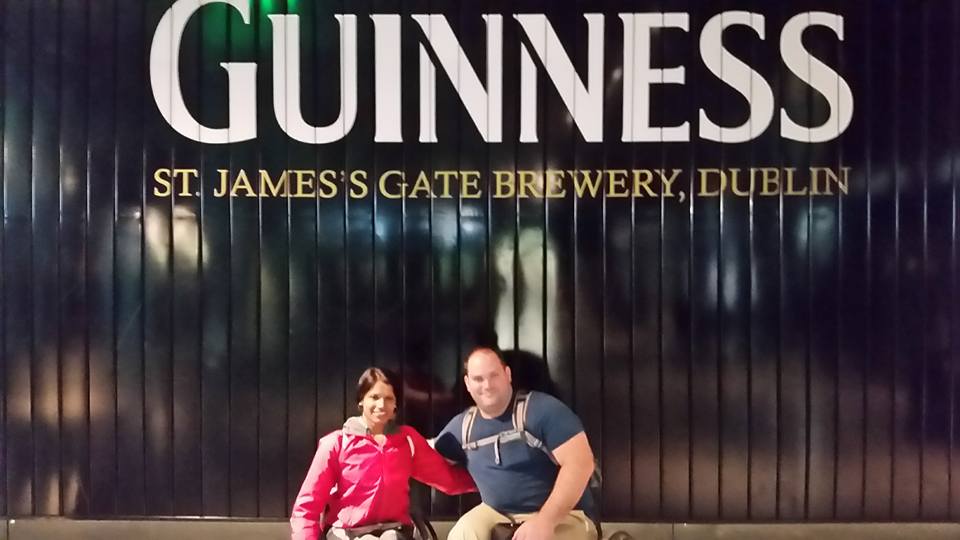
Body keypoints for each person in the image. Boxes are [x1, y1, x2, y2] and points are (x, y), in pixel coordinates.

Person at [291, 367, 477, 540]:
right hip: (347, 533)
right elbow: (306, 508)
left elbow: (448, 480)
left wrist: (494, 481)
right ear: (361, 400)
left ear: (396, 404)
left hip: (394, 531)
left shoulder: (407, 440)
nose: (381, 404)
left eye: (389, 398)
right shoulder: (336, 444)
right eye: (374, 397)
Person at [434, 347, 598, 540]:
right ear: (468, 384)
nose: (486, 385)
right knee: (463, 531)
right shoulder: (462, 427)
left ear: (507, 374)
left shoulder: (544, 411)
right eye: (478, 379)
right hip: (495, 513)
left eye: (493, 376)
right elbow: (427, 458)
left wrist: (546, 520)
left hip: (564, 516)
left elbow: (581, 463)